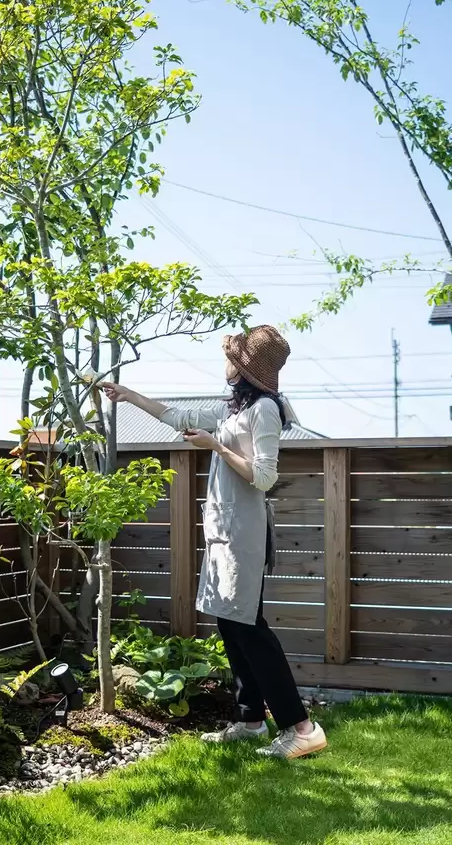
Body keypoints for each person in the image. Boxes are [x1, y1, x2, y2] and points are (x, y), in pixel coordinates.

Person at [100, 324, 327, 760]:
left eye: (231, 354)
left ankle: (301, 727)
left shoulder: (264, 410)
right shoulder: (233, 408)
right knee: (230, 622)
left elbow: (265, 476)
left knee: (248, 629)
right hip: (224, 532)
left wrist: (217, 449)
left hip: (243, 533)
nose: (224, 359)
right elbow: (177, 417)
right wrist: (130, 395)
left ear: (243, 367)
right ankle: (250, 720)